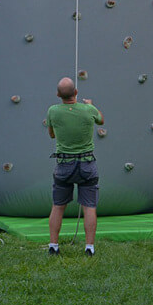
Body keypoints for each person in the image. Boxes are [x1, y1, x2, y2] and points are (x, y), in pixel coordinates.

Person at [45, 77, 104, 256]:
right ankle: (89, 247)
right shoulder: (88, 109)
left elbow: (52, 135)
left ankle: (53, 246)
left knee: (58, 206)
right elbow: (101, 120)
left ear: (57, 95)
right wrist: (90, 105)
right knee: (89, 207)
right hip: (87, 164)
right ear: (76, 92)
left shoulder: (53, 111)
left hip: (64, 165)